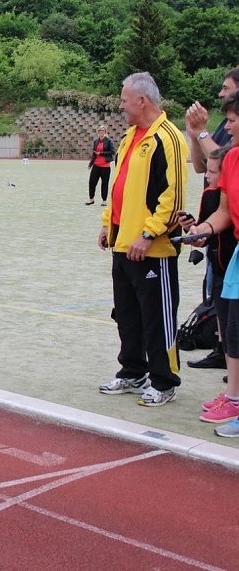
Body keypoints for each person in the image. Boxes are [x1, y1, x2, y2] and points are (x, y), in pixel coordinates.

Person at [96, 72, 187, 408]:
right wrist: (108, 224)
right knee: (127, 315)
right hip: (122, 245)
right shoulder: (128, 137)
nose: (120, 106)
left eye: (123, 99)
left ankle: (164, 381)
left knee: (157, 317)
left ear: (142, 100)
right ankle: (133, 371)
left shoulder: (169, 138)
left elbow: (172, 196)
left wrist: (149, 233)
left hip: (153, 248)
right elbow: (119, 186)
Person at [188, 92, 239, 433]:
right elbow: (223, 212)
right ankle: (234, 400)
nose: (228, 127)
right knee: (233, 330)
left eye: (233, 120)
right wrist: (200, 230)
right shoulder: (232, 158)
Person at [183, 66, 238, 370]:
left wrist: (202, 131)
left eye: (226, 87)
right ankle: (223, 352)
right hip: (218, 218)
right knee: (218, 292)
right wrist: (194, 135)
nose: (220, 92)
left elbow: (221, 157)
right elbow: (203, 165)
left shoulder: (227, 131)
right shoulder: (224, 126)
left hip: (229, 228)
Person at [86, 125, 114, 206]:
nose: (101, 132)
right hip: (96, 165)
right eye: (100, 131)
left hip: (105, 166)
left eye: (103, 131)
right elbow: (94, 154)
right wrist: (90, 164)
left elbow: (112, 152)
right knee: (92, 182)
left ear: (105, 132)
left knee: (104, 183)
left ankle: (104, 201)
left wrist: (101, 153)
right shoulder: (95, 141)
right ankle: (91, 199)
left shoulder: (109, 141)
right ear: (98, 132)